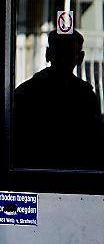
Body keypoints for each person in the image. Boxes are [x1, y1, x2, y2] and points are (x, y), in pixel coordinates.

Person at [12, 30, 104, 170]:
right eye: (61, 52)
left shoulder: (25, 92)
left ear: (48, 54)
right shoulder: (86, 96)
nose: (63, 59)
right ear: (80, 58)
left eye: (67, 53)